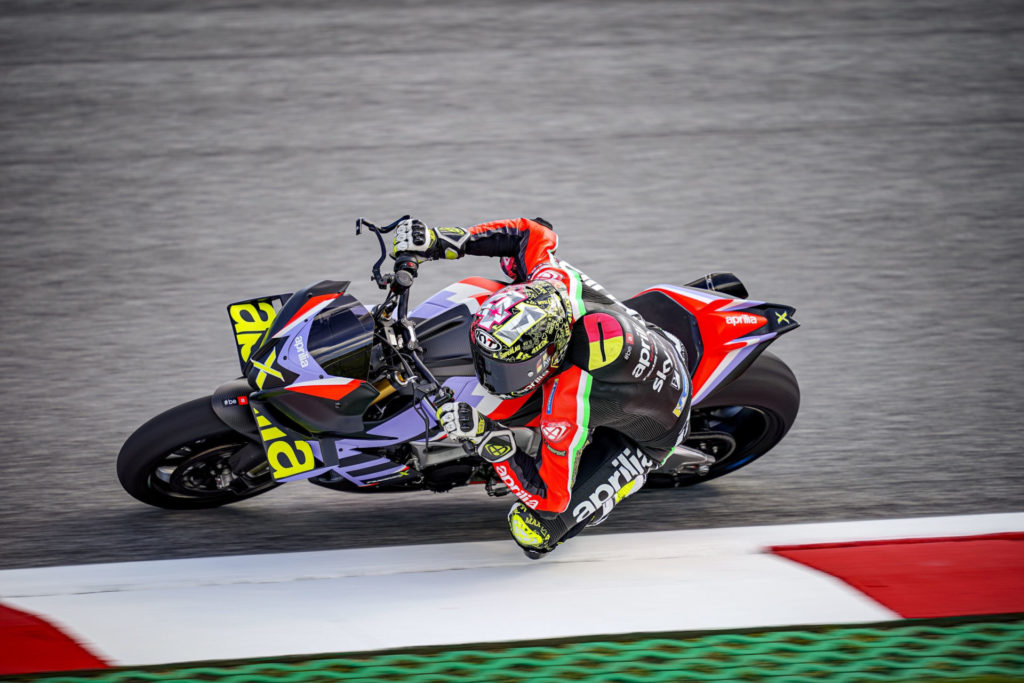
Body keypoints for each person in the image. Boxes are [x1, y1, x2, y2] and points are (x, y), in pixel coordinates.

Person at [392, 217, 692, 558]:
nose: (491, 378)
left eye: (508, 370)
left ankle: (603, 498)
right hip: (646, 340)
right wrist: (439, 239)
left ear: (551, 354)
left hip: (651, 434)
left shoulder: (568, 401)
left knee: (534, 529)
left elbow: (551, 499)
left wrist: (485, 436)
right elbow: (531, 232)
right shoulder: (552, 280)